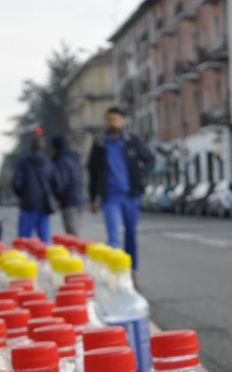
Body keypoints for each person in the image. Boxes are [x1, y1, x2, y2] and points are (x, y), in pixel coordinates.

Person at [88, 106, 156, 268]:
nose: (113, 122)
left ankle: (132, 269)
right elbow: (93, 172)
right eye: (110, 119)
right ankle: (116, 271)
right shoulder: (100, 144)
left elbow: (150, 159)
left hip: (131, 195)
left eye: (116, 119)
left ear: (122, 121)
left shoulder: (132, 141)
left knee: (131, 234)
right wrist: (93, 198)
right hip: (110, 196)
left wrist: (141, 175)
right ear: (106, 121)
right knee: (113, 236)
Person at [12, 135, 56, 242]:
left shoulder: (23, 162)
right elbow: (56, 183)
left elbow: (16, 183)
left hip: (28, 203)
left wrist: (23, 195)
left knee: (23, 241)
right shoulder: (48, 163)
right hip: (43, 204)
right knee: (44, 242)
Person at [51, 134, 85, 236]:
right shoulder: (74, 158)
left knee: (71, 234)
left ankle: (75, 252)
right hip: (79, 198)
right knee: (74, 231)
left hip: (68, 200)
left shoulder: (61, 160)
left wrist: (58, 198)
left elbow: (61, 182)